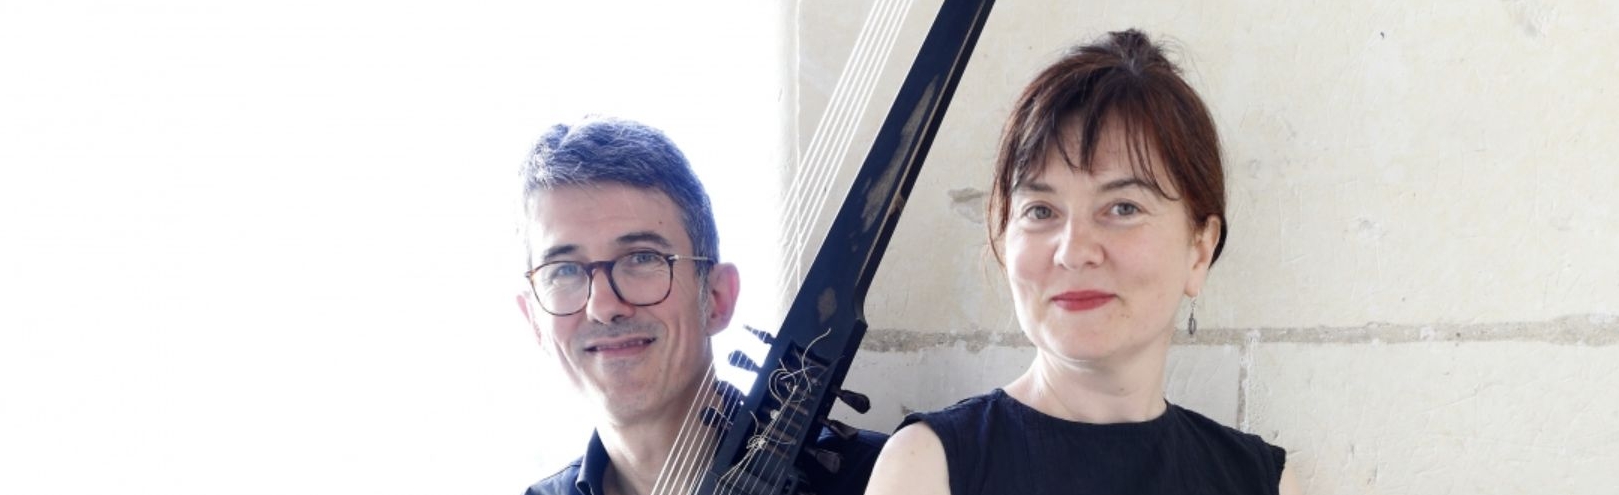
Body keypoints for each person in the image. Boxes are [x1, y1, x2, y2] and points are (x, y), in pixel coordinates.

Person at [864, 30, 1303, 495]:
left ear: (1199, 249)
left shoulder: (1262, 482)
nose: (1073, 252)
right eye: (1041, 211)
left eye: (1123, 208)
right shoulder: (926, 466)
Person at [516, 117, 883, 495]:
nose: (603, 306)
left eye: (642, 258)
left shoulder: (885, 479)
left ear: (717, 298)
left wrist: (920, 444)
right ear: (534, 321)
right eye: (563, 270)